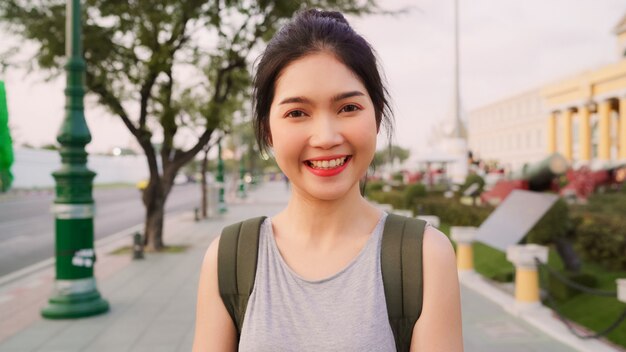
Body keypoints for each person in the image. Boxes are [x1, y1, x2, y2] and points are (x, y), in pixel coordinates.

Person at [193, 9, 463, 351]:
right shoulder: (229, 258)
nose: (325, 137)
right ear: (268, 131)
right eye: (297, 113)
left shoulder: (424, 257)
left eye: (348, 108)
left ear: (377, 116)